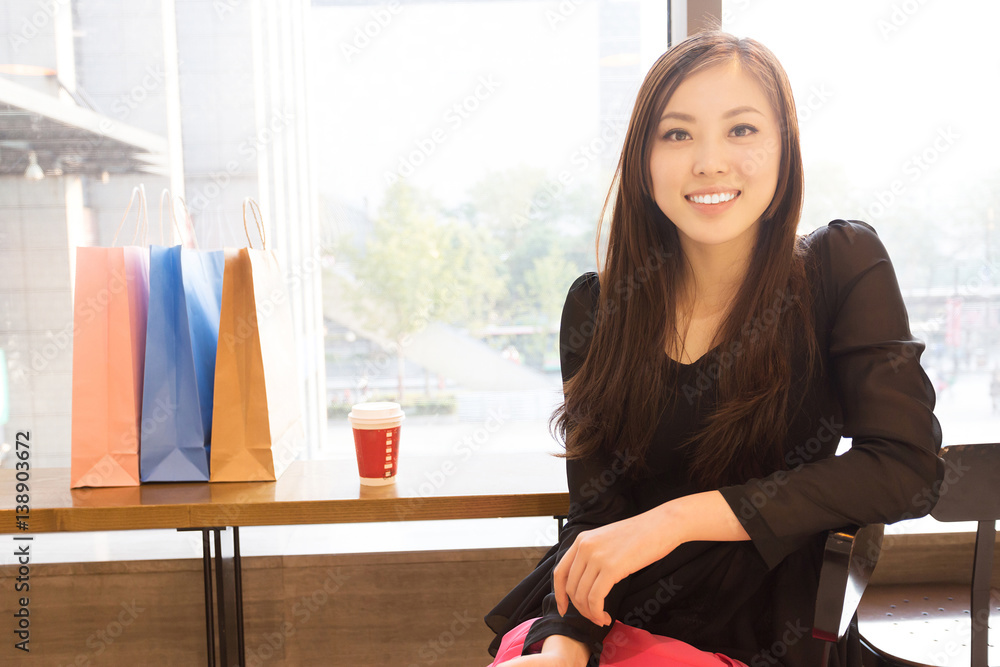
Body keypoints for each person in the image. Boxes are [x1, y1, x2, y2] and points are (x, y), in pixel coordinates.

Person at [484, 31, 943, 667]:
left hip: (763, 626)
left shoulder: (841, 266)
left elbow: (905, 469)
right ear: (643, 161)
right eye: (677, 134)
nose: (709, 162)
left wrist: (675, 519)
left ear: (785, 151)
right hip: (608, 614)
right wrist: (564, 646)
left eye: (742, 130)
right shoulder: (598, 307)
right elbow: (597, 517)